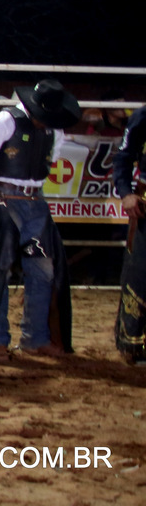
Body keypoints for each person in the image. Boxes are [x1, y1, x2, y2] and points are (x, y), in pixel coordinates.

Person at [0, 79, 81, 363]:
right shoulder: (4, 121)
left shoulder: (49, 129)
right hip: (7, 200)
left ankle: (35, 338)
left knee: (43, 272)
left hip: (32, 200)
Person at [113, 102, 146, 365]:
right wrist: (126, 193)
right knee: (141, 272)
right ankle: (134, 341)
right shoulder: (143, 116)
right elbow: (123, 157)